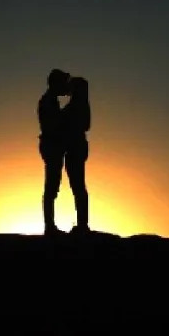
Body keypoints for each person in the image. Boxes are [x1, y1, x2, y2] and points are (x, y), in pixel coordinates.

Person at [37, 68, 71, 235]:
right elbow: (53, 126)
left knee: (52, 186)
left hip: (51, 145)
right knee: (51, 187)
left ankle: (50, 226)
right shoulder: (48, 101)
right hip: (51, 146)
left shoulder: (50, 101)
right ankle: (49, 227)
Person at [62, 76, 91, 234]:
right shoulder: (81, 105)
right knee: (78, 186)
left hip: (75, 148)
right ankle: (82, 223)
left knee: (78, 186)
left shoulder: (77, 106)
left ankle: (82, 224)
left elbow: (84, 125)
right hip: (78, 147)